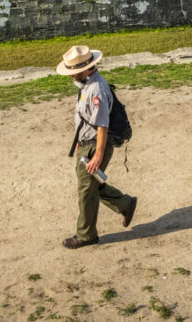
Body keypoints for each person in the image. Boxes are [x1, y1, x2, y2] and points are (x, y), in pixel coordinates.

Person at [58, 45, 138, 248]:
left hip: (94, 146)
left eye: (74, 72)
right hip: (87, 144)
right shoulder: (88, 84)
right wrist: (79, 143)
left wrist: (98, 156)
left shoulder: (97, 90)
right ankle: (125, 203)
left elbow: (102, 125)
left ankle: (86, 235)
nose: (71, 76)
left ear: (85, 69)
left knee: (86, 191)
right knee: (92, 186)